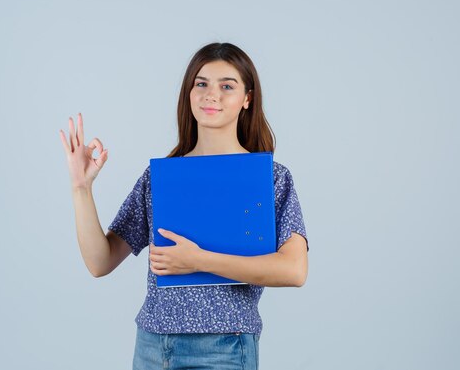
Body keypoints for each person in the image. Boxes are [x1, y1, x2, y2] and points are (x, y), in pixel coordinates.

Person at [59, 42, 309, 370]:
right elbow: (100, 261)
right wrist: (81, 187)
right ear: (188, 94)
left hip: (224, 347)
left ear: (247, 98)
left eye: (227, 86)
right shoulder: (161, 177)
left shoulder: (269, 178)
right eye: (201, 83)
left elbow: (294, 269)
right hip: (152, 345)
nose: (211, 94)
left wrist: (198, 260)